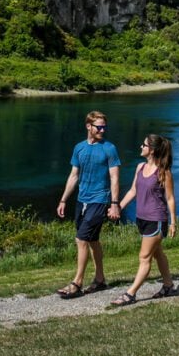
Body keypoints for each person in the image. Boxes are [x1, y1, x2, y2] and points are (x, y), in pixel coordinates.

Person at [55, 110, 121, 299]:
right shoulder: (79, 148)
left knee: (81, 239)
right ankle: (100, 279)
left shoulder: (109, 148)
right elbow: (74, 175)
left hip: (99, 200)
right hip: (81, 200)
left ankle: (77, 283)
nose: (102, 130)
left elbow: (115, 177)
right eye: (98, 127)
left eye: (104, 127)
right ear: (88, 126)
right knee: (92, 240)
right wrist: (63, 199)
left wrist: (114, 203)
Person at [111, 133, 177, 305]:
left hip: (156, 220)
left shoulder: (164, 172)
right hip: (141, 219)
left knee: (144, 257)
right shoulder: (140, 167)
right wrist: (118, 207)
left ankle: (130, 294)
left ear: (152, 150)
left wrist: (173, 222)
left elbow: (170, 198)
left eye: (144, 145)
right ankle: (168, 285)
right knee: (157, 253)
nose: (141, 147)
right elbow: (133, 191)